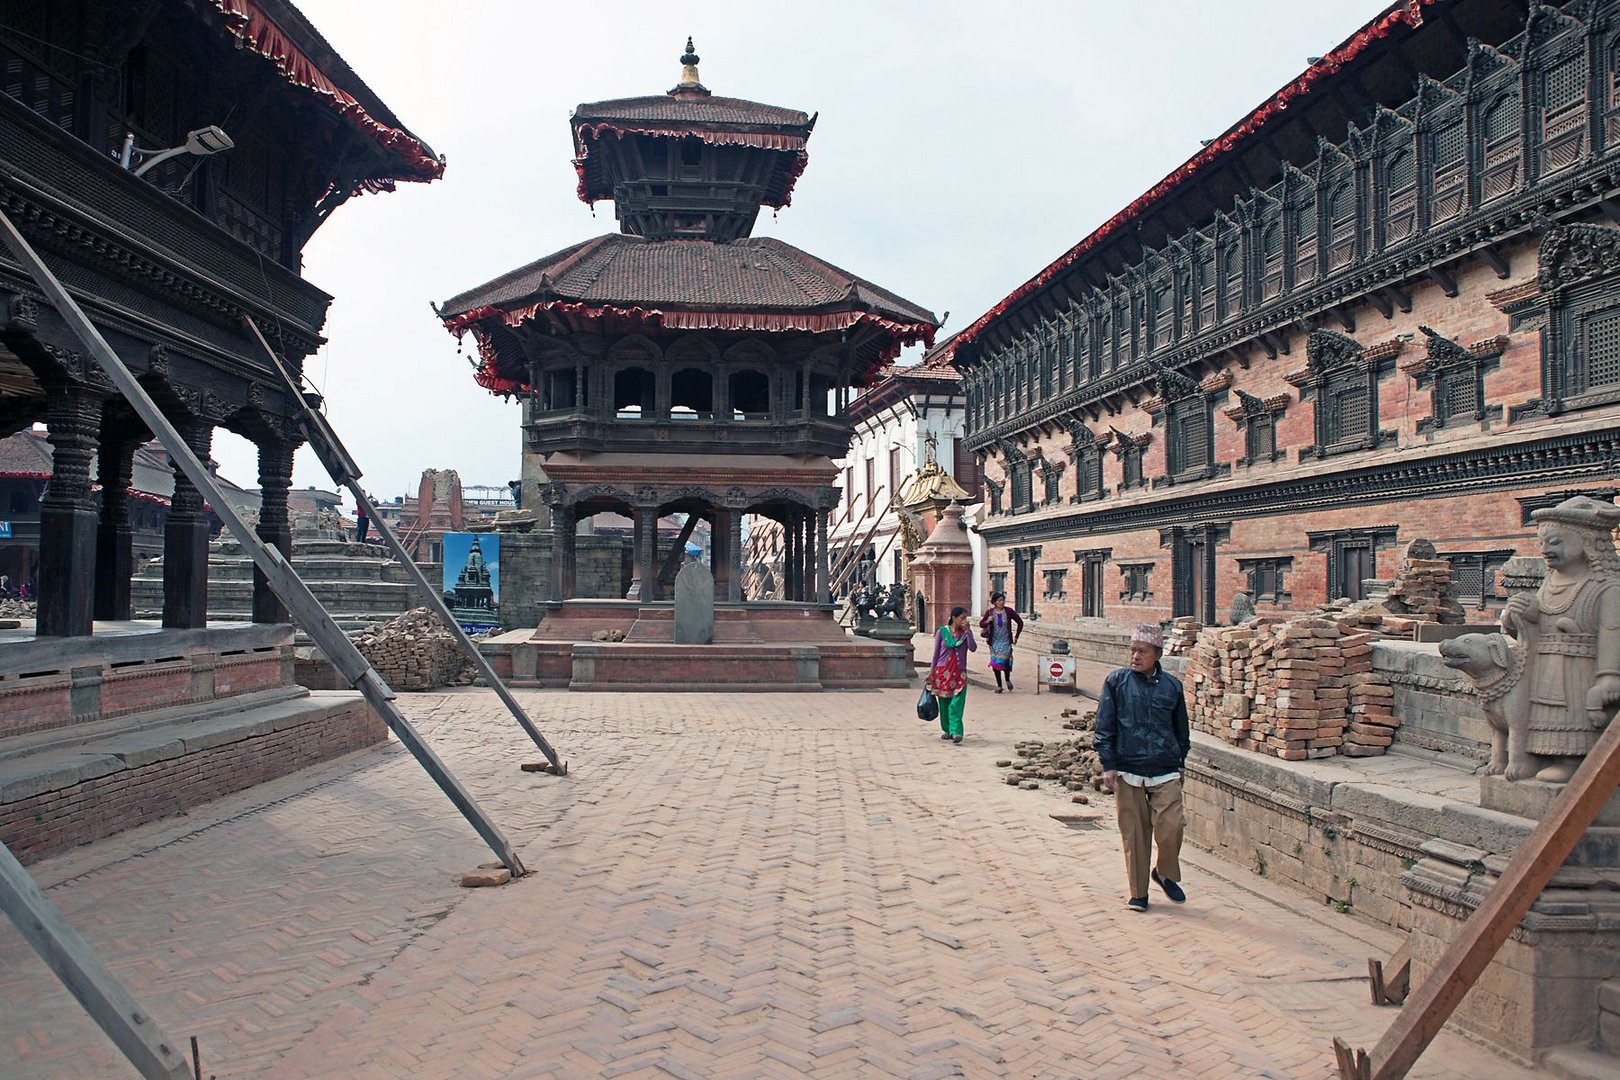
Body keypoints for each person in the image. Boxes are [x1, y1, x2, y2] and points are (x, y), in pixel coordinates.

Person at [1095, 623, 1191, 913]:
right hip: (1127, 767)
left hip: (1165, 768)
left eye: (1142, 651)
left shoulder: (1172, 686)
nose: (1135, 656)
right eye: (1132, 650)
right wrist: (1109, 765)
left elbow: (1181, 729)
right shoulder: (1116, 682)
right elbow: (1105, 725)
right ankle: (1139, 894)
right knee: (1134, 835)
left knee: (1172, 827)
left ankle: (1163, 872)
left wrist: (1180, 761)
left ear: (1157, 654)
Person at [928, 606, 977, 745]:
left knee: (956, 703)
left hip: (959, 672)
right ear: (954, 618)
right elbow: (936, 654)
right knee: (944, 702)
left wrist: (969, 632)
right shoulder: (942, 632)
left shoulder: (965, 633)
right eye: (962, 618)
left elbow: (973, 648)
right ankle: (947, 730)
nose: (964, 621)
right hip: (943, 672)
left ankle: (956, 731)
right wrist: (931, 673)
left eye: (965, 618)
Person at [979, 592, 1024, 692]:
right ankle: (999, 685)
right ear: (994, 602)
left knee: (1005, 662)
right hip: (994, 641)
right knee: (995, 663)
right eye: (999, 600)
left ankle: (1007, 679)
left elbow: (1020, 622)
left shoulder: (1009, 611)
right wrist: (987, 621)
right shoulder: (990, 612)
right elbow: (981, 624)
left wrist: (1016, 636)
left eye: (1003, 600)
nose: (1001, 602)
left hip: (1006, 641)